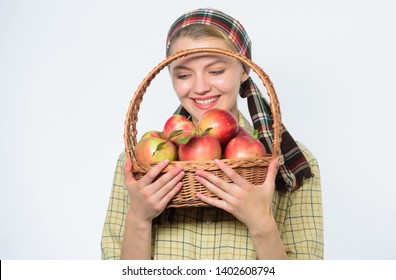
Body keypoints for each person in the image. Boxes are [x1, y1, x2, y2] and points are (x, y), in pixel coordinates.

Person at [101, 8, 323, 260]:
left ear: (244, 70)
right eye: (183, 75)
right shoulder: (139, 165)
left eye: (216, 71)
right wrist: (139, 217)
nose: (200, 87)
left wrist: (261, 223)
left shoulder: (287, 161)